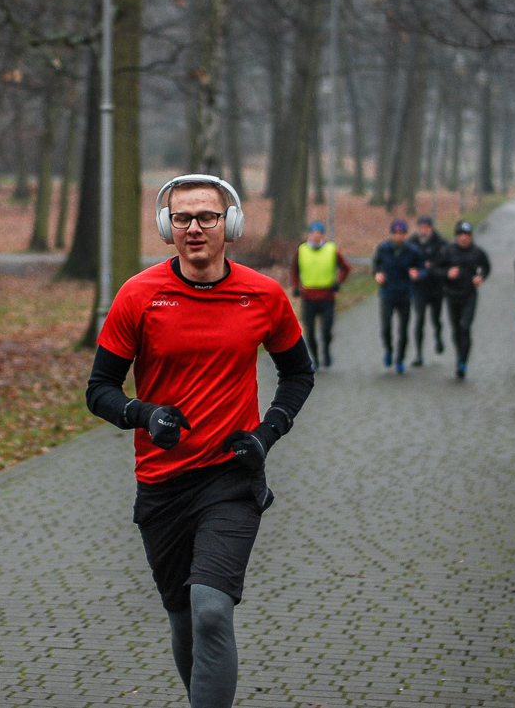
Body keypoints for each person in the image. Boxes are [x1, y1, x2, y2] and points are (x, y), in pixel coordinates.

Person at [85, 174, 315, 708]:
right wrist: (143, 414)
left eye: (207, 217)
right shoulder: (138, 296)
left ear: (229, 225)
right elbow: (98, 391)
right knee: (186, 621)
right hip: (162, 485)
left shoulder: (263, 295)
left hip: (230, 478)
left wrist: (266, 434)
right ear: (168, 227)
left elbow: (299, 374)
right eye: (183, 217)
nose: (195, 228)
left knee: (212, 609)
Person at [290, 221, 352, 370]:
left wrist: (338, 282)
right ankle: (315, 358)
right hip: (308, 297)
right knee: (309, 331)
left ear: (323, 235)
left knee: (326, 330)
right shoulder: (302, 250)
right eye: (313, 233)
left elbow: (346, 268)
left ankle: (326, 351)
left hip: (327, 297)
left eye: (319, 233)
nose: (316, 236)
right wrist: (295, 286)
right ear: (309, 235)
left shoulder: (332, 249)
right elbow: (294, 270)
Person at [436, 220, 491, 380]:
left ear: (471, 237)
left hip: (469, 295)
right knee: (456, 330)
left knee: (465, 327)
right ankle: (459, 355)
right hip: (452, 295)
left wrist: (481, 276)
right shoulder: (448, 251)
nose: (464, 239)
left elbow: (486, 267)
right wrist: (447, 273)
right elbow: (435, 269)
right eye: (461, 235)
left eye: (467, 235)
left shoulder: (477, 252)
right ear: (456, 237)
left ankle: (463, 362)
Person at [372, 219, 421, 374]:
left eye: (401, 233)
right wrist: (377, 274)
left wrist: (418, 273)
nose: (398, 236)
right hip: (387, 294)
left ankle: (400, 359)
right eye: (396, 233)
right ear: (391, 234)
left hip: (405, 294)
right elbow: (376, 265)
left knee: (403, 330)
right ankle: (389, 350)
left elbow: (422, 267)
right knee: (386, 328)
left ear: (405, 235)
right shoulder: (383, 248)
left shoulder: (412, 251)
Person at [406, 215, 447, 367]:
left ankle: (438, 336)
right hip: (419, 287)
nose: (424, 230)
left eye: (426, 227)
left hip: (436, 287)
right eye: (421, 227)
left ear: (431, 228)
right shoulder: (411, 243)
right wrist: (412, 271)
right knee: (419, 318)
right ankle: (419, 354)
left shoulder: (440, 242)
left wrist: (434, 266)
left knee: (436, 318)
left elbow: (446, 260)